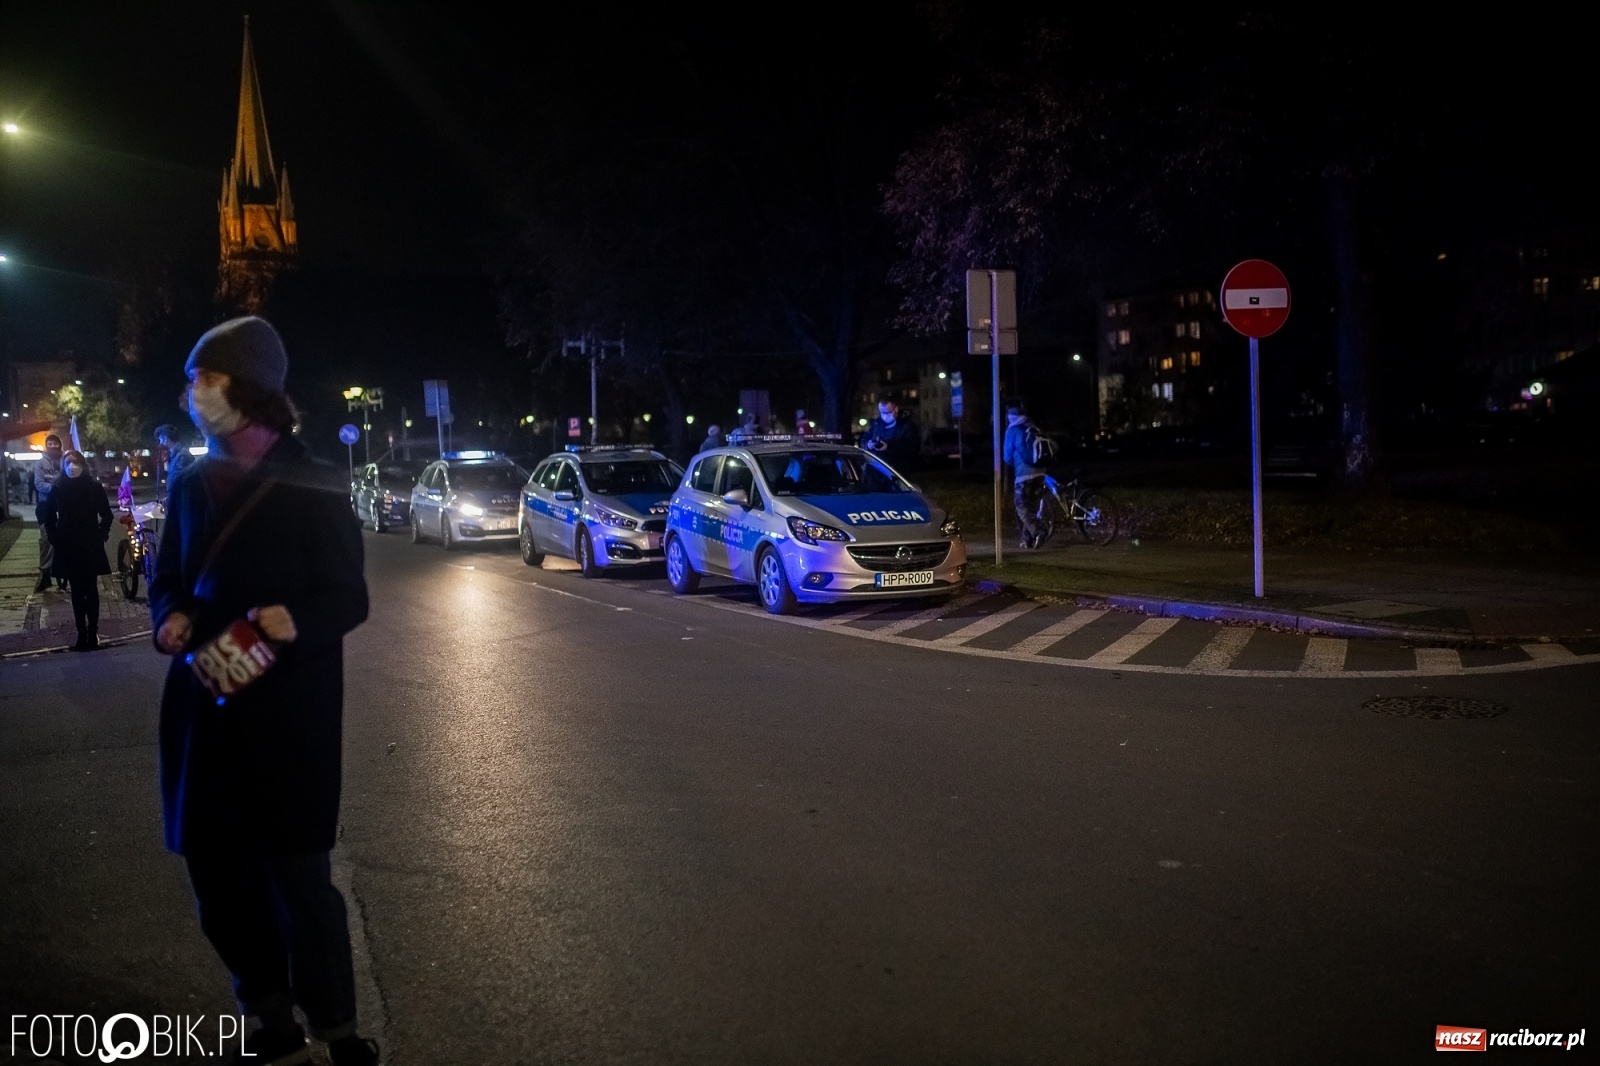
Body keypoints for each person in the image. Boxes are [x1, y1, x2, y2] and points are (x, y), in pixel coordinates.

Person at [148, 316, 380, 1066]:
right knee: (217, 877)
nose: (194, 394)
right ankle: (268, 1017)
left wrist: (297, 621)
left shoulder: (312, 480)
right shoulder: (188, 482)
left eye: (206, 378)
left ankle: (338, 1030)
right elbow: (167, 581)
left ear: (248, 389)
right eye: (193, 379)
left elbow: (349, 598)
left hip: (289, 718)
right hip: (205, 710)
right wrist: (170, 618)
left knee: (300, 881)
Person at [41, 449, 113, 650]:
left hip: (90, 543)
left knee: (91, 589)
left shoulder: (93, 487)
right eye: (68, 463)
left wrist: (101, 535)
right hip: (68, 545)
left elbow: (106, 515)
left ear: (82, 465)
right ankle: (82, 633)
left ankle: (93, 632)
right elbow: (49, 520)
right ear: (63, 466)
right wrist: (56, 540)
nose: (72, 467)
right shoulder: (58, 487)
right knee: (76, 591)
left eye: (76, 462)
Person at [1002, 399, 1049, 549]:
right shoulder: (1032, 426)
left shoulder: (1013, 430)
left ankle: (1038, 530)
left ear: (1010, 416)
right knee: (1032, 508)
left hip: (1024, 474)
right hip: (1040, 472)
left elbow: (1007, 457)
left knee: (1021, 506)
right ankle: (1027, 540)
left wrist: (1014, 462)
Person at [32, 433, 66, 593]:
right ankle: (45, 573)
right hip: (46, 505)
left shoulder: (66, 461)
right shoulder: (40, 464)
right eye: (50, 444)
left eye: (56, 444)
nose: (53, 447)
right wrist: (54, 489)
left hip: (63, 504)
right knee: (46, 539)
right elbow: (39, 483)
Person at [859, 399, 919, 469]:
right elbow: (864, 440)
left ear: (896, 409)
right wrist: (868, 445)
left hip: (896, 471)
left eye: (888, 412)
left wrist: (888, 447)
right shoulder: (875, 424)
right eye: (882, 412)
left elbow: (912, 448)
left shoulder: (907, 426)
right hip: (875, 470)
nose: (885, 416)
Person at [154, 423, 197, 493]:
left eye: (161, 440)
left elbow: (182, 484)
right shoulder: (176, 455)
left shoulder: (183, 456)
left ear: (166, 438)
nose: (161, 443)